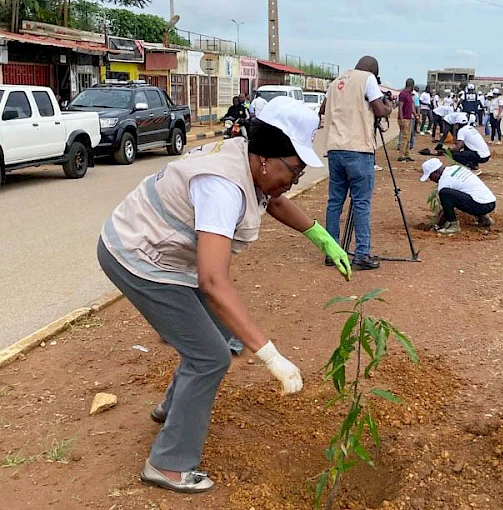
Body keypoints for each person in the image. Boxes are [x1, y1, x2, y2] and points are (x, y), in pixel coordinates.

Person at [97, 97, 351, 494]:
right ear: (267, 158)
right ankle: (169, 465)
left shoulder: (250, 158)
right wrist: (272, 357)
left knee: (219, 331)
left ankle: (174, 408)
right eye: (294, 170)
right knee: (211, 355)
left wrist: (320, 236)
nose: (295, 181)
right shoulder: (222, 189)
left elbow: (275, 201)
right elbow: (212, 281)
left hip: (162, 254)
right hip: (137, 258)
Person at [319, 56, 394, 271]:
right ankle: (361, 254)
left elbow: (323, 109)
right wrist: (388, 107)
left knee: (335, 202)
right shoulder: (367, 79)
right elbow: (379, 110)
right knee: (361, 203)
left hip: (335, 149)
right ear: (373, 70)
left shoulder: (336, 82)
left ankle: (331, 251)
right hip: (359, 150)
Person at [420, 157, 496, 235]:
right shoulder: (456, 168)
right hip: (491, 202)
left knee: (444, 193)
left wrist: (437, 225)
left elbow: (446, 208)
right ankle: (484, 218)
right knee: (468, 193)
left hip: (480, 206)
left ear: (436, 172)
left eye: (430, 176)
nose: (431, 179)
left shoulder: (444, 182)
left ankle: (454, 226)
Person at [397, 78, 415, 162]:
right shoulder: (403, 94)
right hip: (404, 118)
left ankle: (407, 154)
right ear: (411, 86)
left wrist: (416, 115)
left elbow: (411, 107)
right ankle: (401, 155)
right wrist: (402, 119)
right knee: (405, 137)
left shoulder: (409, 94)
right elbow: (400, 106)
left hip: (409, 118)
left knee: (408, 137)